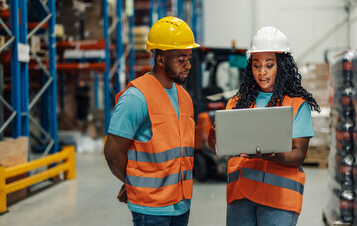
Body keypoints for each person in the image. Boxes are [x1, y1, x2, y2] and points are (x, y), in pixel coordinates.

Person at [208, 26, 321, 226]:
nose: (262, 72)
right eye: (256, 65)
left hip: (278, 199)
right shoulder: (236, 103)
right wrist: (213, 135)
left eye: (269, 65)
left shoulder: (295, 104)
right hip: (240, 197)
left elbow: (299, 155)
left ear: (282, 66)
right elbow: (217, 148)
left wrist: (273, 155)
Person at [104, 16, 200, 226]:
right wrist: (133, 184)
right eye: (181, 59)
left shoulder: (184, 96)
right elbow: (113, 154)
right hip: (151, 209)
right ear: (160, 59)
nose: (188, 65)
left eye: (189, 58)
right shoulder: (136, 97)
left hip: (181, 203)